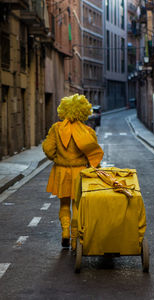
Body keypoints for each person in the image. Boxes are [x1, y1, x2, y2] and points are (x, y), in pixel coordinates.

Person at [42, 94, 104, 250]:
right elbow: (93, 154)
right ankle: (75, 237)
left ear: (64, 110)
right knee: (77, 205)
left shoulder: (56, 128)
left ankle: (65, 232)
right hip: (80, 172)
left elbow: (48, 149)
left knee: (64, 204)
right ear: (83, 111)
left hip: (61, 171)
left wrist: (58, 158)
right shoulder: (87, 131)